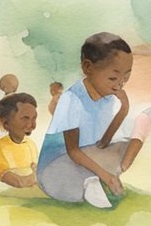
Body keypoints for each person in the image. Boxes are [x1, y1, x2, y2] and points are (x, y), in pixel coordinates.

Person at [38, 32, 142, 208]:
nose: (120, 84)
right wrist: (106, 175)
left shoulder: (108, 98)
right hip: (57, 163)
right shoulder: (71, 99)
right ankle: (90, 184)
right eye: (113, 78)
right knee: (63, 177)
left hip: (86, 157)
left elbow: (103, 143)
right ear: (88, 67)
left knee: (124, 146)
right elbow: (73, 151)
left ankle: (93, 181)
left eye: (126, 77)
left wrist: (124, 109)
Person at [0, 93, 40, 189]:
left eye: (34, 118)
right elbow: (7, 177)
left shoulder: (30, 144)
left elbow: (37, 169)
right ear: (6, 124)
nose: (32, 125)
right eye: (25, 118)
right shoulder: (3, 146)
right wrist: (31, 179)